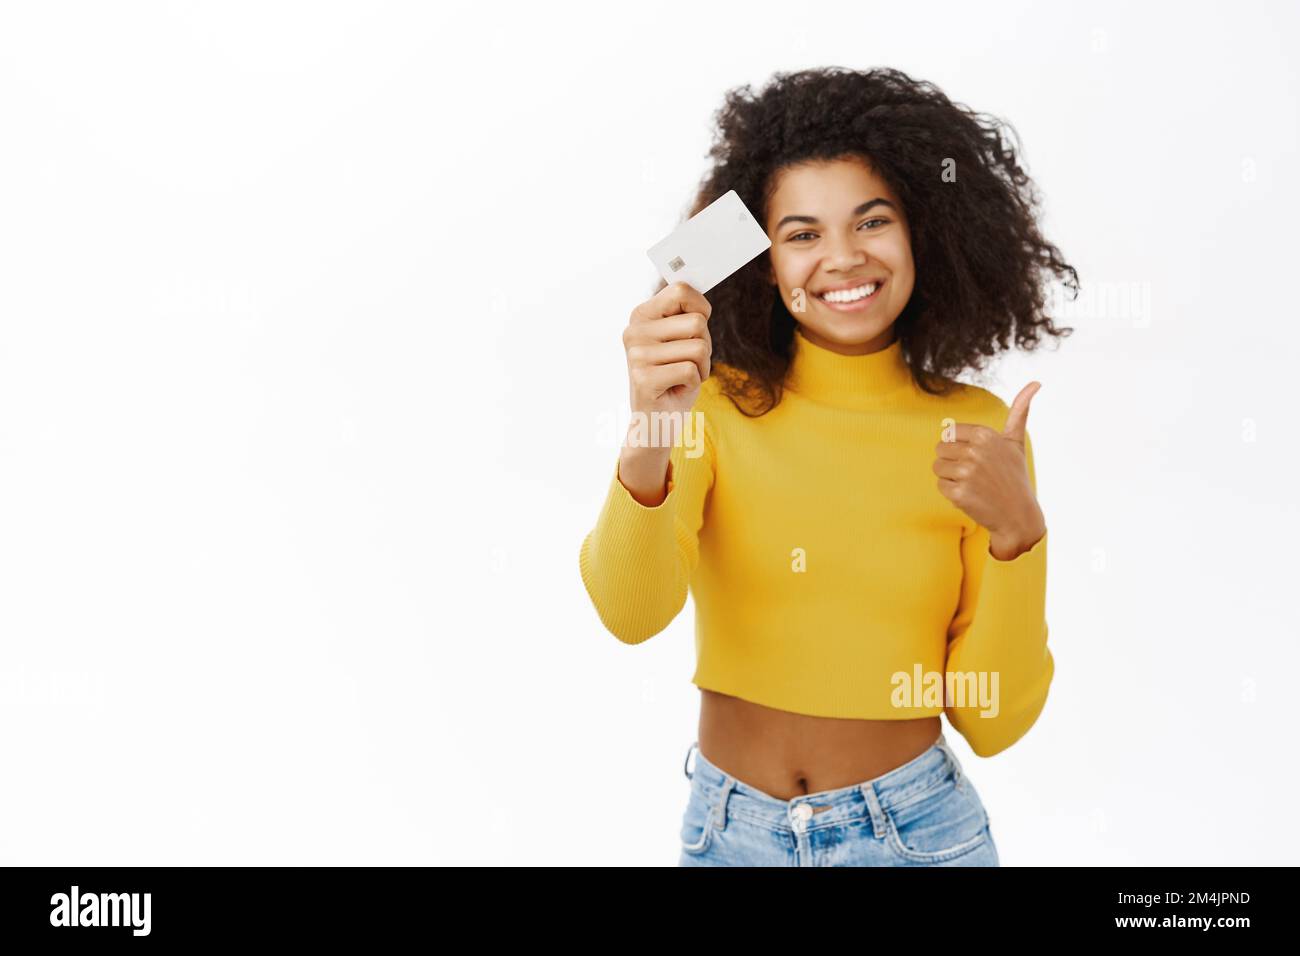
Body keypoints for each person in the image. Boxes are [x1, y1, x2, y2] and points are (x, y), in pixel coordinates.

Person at [578, 67, 1077, 866]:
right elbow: (629, 614)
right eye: (802, 233)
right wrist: (649, 431)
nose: (842, 259)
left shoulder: (979, 431)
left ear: (924, 232)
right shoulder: (709, 406)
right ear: (764, 262)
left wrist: (1019, 535)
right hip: (728, 833)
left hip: (916, 837)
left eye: (871, 222)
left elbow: (995, 722)